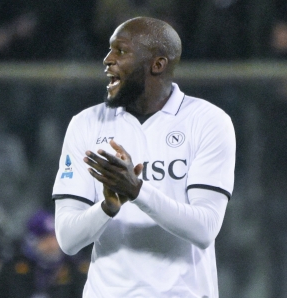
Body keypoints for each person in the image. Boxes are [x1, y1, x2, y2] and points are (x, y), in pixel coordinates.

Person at [52, 16, 236, 297]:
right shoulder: (86, 124)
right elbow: (67, 239)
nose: (107, 59)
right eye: (109, 49)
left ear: (157, 64)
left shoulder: (207, 121)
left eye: (120, 51)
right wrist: (108, 207)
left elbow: (205, 228)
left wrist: (137, 190)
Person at [0, 209, 88, 298]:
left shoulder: (74, 265)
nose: (52, 245)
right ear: (32, 241)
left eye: (54, 237)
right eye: (45, 239)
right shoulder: (14, 266)